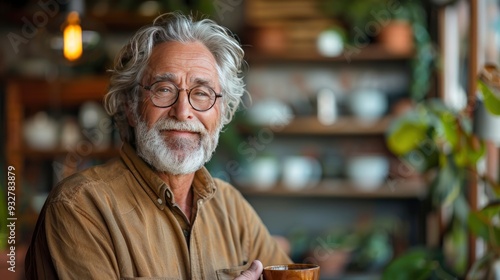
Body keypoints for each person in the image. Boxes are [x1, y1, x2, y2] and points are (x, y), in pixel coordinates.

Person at [25, 12, 291, 279]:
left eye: (201, 93)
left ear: (222, 112)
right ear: (130, 105)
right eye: (164, 89)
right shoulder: (80, 207)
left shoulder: (232, 207)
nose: (183, 111)